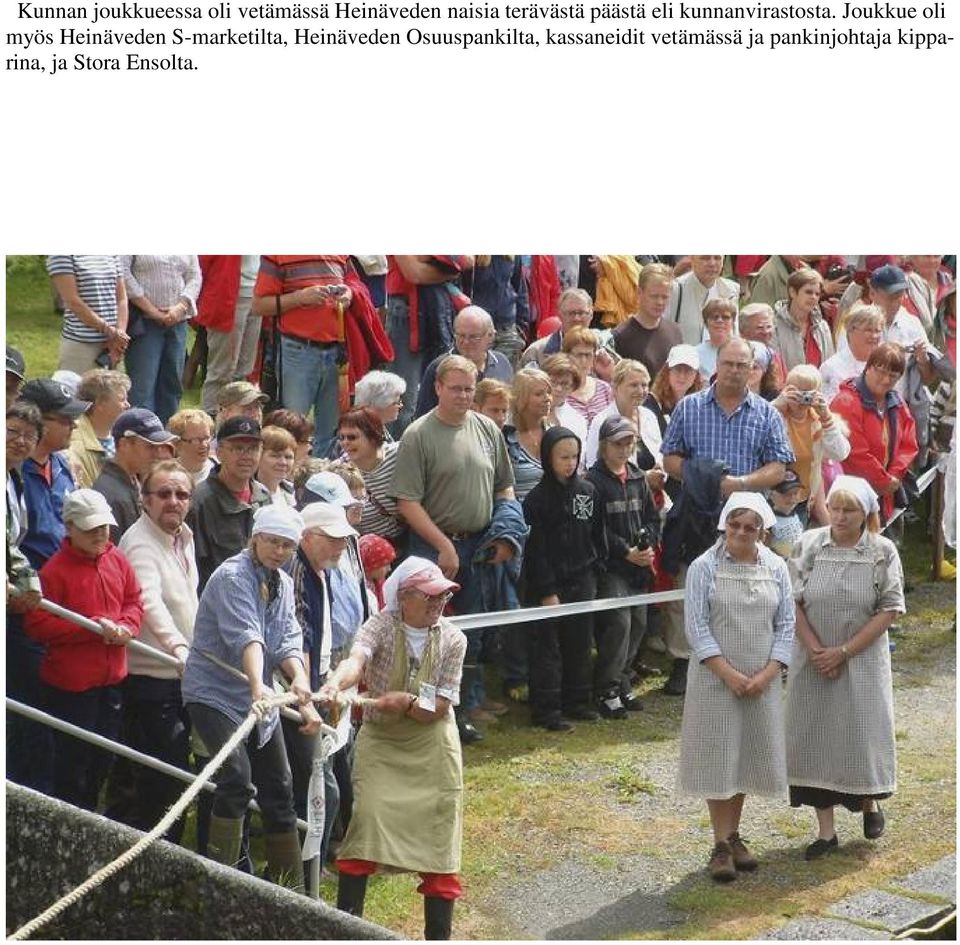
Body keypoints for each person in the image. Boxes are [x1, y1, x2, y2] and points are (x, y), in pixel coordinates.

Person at [318, 557, 467, 940]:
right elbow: (357, 660)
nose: (438, 605)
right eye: (430, 597)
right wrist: (337, 683)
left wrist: (406, 703)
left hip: (432, 745)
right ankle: (348, 931)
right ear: (404, 597)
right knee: (364, 822)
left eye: (443, 597)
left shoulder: (453, 638)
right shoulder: (380, 625)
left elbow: (441, 707)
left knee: (440, 841)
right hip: (382, 742)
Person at [181, 504, 320, 891]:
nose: (279, 552)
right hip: (213, 691)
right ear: (255, 539)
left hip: (258, 695)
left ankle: (289, 889)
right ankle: (220, 880)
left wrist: (299, 683)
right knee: (237, 778)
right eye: (273, 543)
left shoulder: (284, 582)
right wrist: (260, 686)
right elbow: (248, 635)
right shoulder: (231, 577)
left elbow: (287, 639)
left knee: (280, 788)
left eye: (287, 546)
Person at [391, 354, 516, 744]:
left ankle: (465, 707)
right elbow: (407, 502)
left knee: (473, 634)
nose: (464, 395)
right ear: (438, 388)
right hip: (433, 548)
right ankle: (426, 710)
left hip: (480, 546)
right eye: (457, 388)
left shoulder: (487, 429)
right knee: (430, 636)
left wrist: (505, 533)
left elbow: (504, 487)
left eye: (470, 388)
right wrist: (444, 547)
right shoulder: (417, 435)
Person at [660, 338, 795, 696]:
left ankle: (753, 657)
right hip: (696, 513)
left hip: (748, 516)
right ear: (716, 365)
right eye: (729, 363)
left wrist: (741, 483)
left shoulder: (766, 413)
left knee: (750, 588)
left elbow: (779, 468)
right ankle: (682, 659)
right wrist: (699, 474)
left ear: (753, 369)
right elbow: (668, 459)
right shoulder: (688, 408)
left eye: (743, 364)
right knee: (690, 584)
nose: (735, 370)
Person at [677, 492, 795, 882]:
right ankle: (720, 845)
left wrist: (768, 674)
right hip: (716, 681)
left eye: (750, 527)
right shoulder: (703, 567)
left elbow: (786, 626)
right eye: (735, 525)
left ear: (763, 530)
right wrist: (728, 673)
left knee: (744, 755)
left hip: (760, 682)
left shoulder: (777, 566)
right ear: (724, 524)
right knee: (718, 754)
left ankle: (734, 834)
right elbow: (696, 627)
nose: (742, 533)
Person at [785, 476, 904, 859]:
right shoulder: (809, 545)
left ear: (864, 512)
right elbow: (793, 601)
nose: (838, 515)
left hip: (862, 659)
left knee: (860, 732)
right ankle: (826, 831)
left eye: (848, 509)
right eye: (835, 507)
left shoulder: (881, 551)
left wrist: (845, 651)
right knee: (816, 735)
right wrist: (819, 650)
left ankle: (869, 801)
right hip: (814, 657)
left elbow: (889, 608)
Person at [25, 489, 144, 810]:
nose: (101, 534)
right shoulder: (54, 571)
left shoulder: (116, 558)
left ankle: (89, 819)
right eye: (91, 528)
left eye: (104, 527)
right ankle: (72, 823)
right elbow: (36, 626)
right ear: (70, 527)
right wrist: (90, 627)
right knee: (72, 764)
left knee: (102, 759)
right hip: (72, 688)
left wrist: (126, 627)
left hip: (112, 681)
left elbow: (134, 601)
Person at [115, 460, 198, 841]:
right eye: (163, 493)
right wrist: (179, 646)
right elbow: (147, 601)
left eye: (181, 494)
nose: (173, 501)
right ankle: (152, 853)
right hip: (150, 676)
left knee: (174, 773)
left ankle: (167, 850)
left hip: (180, 675)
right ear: (144, 499)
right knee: (161, 774)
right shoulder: (139, 541)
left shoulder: (185, 536)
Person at [284, 501, 360, 870]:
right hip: (298, 694)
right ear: (308, 537)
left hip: (318, 687)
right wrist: (309, 698)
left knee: (320, 784)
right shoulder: (298, 570)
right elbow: (299, 636)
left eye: (343, 539)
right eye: (332, 539)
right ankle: (298, 869)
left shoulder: (322, 569)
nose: (340, 546)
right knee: (319, 788)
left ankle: (304, 866)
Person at [521, 426, 606, 731]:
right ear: (548, 458)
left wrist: (594, 570)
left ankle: (577, 701)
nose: (570, 463)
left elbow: (596, 535)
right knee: (548, 649)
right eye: (563, 457)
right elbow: (536, 550)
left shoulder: (588, 492)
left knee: (579, 643)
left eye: (574, 456)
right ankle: (546, 709)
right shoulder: (536, 500)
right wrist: (546, 590)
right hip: (549, 584)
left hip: (582, 578)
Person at [586, 417, 660, 717]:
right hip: (610, 566)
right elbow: (596, 527)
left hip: (638, 565)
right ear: (604, 445)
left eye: (629, 442)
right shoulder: (593, 481)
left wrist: (648, 544)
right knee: (619, 624)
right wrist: (624, 551)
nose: (624, 449)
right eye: (618, 443)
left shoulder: (638, 477)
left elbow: (652, 517)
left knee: (639, 623)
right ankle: (606, 689)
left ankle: (623, 679)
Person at [251, 255, 355, 457]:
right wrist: (300, 298)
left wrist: (349, 293)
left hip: (337, 352)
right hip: (297, 351)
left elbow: (355, 283)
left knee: (333, 431)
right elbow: (259, 305)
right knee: (291, 428)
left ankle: (321, 480)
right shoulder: (276, 255)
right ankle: (287, 479)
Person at [5, 400, 50, 793]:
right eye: (12, 431)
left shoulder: (15, 479)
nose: (20, 442)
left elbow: (12, 543)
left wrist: (26, 582)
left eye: (29, 436)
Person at [829, 344, 919, 523]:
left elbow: (908, 441)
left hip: (888, 494)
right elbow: (856, 454)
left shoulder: (896, 400)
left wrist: (894, 476)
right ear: (868, 367)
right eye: (880, 371)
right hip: (852, 498)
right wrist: (884, 481)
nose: (886, 380)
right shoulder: (846, 402)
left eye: (893, 376)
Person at [385, 255, 474, 433]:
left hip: (440, 311)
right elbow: (414, 273)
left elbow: (468, 260)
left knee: (442, 393)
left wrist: (425, 259)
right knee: (403, 402)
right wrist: (449, 269)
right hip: (406, 314)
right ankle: (399, 455)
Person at [188, 415, 271, 590]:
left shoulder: (263, 496)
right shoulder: (199, 501)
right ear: (219, 452)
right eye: (237, 448)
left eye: (253, 449)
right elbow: (195, 566)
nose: (246, 456)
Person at [121, 255, 202, 424]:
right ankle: (141, 433)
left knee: (172, 384)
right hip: (144, 321)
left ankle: (167, 433)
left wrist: (181, 306)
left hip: (178, 322)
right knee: (143, 386)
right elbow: (123, 272)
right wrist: (151, 310)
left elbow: (195, 275)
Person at [17, 379, 87, 571]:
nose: (74, 426)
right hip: (28, 589)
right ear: (38, 421)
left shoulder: (63, 465)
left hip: (67, 580)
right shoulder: (12, 472)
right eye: (65, 419)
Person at [772, 365, 851, 525]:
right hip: (772, 497)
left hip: (801, 499)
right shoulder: (774, 415)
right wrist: (775, 407)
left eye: (808, 392)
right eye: (796, 391)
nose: (802, 397)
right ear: (785, 389)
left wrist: (826, 417)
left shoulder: (818, 421)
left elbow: (840, 454)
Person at [93, 408, 178, 543]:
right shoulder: (111, 497)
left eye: (160, 447)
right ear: (124, 444)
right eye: (150, 447)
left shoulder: (134, 481)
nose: (158, 454)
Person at [414, 306, 513, 419]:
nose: (466, 342)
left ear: (490, 336)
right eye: (461, 336)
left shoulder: (502, 363)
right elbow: (423, 415)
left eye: (474, 337)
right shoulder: (439, 367)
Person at [196, 255, 262, 416]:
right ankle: (210, 421)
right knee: (221, 371)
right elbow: (200, 265)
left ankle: (237, 420)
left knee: (244, 369)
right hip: (226, 298)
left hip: (257, 298)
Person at [47, 255, 130, 374]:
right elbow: (73, 301)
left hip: (113, 345)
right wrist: (109, 331)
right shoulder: (62, 256)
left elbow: (121, 297)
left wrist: (120, 334)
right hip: (82, 345)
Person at [336, 407, 405, 546]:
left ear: (373, 436)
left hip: (410, 540)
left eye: (352, 437)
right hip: (370, 552)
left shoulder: (400, 454)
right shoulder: (339, 472)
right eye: (341, 437)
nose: (345, 443)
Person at [612, 263, 684, 379]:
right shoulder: (620, 337)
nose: (660, 302)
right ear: (639, 293)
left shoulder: (675, 331)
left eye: (664, 297)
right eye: (654, 296)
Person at [67, 369, 131, 488]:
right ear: (100, 403)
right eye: (122, 400)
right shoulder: (75, 446)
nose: (128, 405)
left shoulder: (122, 437)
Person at [466, 255, 530, 366]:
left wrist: (522, 324)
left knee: (507, 377)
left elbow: (519, 287)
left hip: (508, 328)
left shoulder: (512, 255)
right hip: (478, 329)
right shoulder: (470, 257)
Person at [502, 367, 554, 502]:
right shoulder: (505, 437)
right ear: (520, 399)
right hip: (517, 515)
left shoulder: (554, 433)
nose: (547, 398)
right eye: (539, 394)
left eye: (548, 392)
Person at [668, 255, 741, 346]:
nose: (712, 264)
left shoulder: (730, 290)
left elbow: (734, 333)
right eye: (705, 258)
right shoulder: (676, 289)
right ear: (692, 260)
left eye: (717, 258)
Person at [771, 269, 835, 372]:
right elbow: (774, 368)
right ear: (792, 292)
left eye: (817, 294)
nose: (813, 297)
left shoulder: (822, 327)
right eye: (808, 292)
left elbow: (829, 366)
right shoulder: (774, 326)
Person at [819, 304, 884, 403]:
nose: (874, 336)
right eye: (868, 330)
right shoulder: (830, 368)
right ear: (851, 331)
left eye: (877, 331)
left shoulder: (885, 364)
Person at [520, 287, 595, 367]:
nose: (576, 318)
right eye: (571, 313)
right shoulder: (536, 353)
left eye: (581, 313)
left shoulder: (605, 350)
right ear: (559, 315)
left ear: (591, 314)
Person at [646, 344, 705, 437]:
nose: (682, 376)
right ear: (667, 372)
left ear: (696, 375)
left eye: (688, 370)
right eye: (678, 369)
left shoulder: (701, 406)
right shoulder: (651, 404)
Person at [542, 353, 590, 449]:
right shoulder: (527, 408)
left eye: (565, 384)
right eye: (553, 382)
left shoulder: (577, 421)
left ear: (573, 387)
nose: (559, 388)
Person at [353, 371, 407, 441]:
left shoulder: (377, 427)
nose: (401, 405)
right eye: (397, 402)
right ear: (381, 404)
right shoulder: (361, 434)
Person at [168, 408, 216, 485]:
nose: (204, 445)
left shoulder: (219, 470)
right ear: (177, 444)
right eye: (195, 440)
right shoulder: (165, 474)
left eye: (207, 438)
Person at [696, 299, 738, 382]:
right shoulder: (695, 353)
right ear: (706, 323)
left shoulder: (742, 351)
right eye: (715, 317)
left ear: (733, 322)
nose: (720, 320)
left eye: (725, 317)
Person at [766, 470, 805, 558]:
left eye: (795, 493)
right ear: (771, 494)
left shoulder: (795, 515)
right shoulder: (769, 521)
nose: (792, 498)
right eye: (786, 494)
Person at [257, 425, 297, 507]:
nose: (283, 462)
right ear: (258, 456)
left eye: (288, 457)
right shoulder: (248, 494)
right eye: (275, 456)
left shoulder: (294, 493)